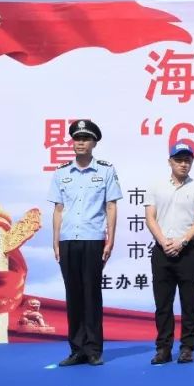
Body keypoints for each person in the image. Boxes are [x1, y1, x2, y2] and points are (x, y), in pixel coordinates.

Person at [47, 119, 121, 367]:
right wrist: (55, 240)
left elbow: (111, 206)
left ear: (94, 143)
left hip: (93, 238)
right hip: (68, 239)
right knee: (73, 294)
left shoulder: (105, 170)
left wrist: (110, 238)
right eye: (77, 139)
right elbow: (58, 209)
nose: (80, 143)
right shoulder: (61, 172)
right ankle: (77, 349)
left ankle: (93, 349)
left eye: (85, 139)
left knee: (91, 293)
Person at [144, 141, 194, 365]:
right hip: (162, 250)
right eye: (179, 160)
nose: (183, 164)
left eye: (187, 160)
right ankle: (163, 348)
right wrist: (163, 241)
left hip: (187, 250)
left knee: (189, 301)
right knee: (163, 303)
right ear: (169, 161)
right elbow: (150, 217)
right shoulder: (155, 186)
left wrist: (182, 241)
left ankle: (187, 348)